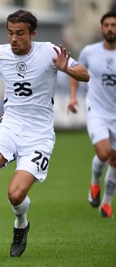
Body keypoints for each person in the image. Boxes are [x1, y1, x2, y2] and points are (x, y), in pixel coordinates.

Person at [0, 9, 89, 257]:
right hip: (10, 126)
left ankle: (21, 224)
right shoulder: (1, 53)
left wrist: (66, 68)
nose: (13, 39)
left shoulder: (49, 51)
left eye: (19, 33)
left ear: (32, 33)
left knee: (15, 195)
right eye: (10, 33)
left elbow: (84, 74)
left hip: (39, 135)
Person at [68, 11, 116, 218]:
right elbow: (74, 71)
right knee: (104, 153)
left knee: (115, 160)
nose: (110, 29)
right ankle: (95, 183)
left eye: (114, 25)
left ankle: (106, 202)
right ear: (101, 28)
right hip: (97, 111)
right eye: (107, 25)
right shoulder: (90, 51)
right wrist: (73, 97)